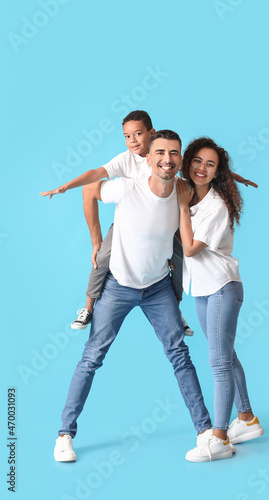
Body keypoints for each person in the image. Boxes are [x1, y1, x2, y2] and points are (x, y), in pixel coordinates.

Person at [53, 130, 214, 463]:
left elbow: (217, 175)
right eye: (159, 153)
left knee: (179, 356)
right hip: (118, 287)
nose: (166, 159)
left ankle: (206, 433)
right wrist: (97, 242)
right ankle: (64, 435)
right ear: (150, 158)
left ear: (180, 160)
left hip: (157, 289)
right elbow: (89, 189)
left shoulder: (183, 193)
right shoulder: (127, 187)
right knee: (91, 357)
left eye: (173, 154)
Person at [40, 110, 257, 334]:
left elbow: (202, 169)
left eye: (138, 134)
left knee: (181, 258)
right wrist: (66, 187)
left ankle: (175, 311)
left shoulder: (166, 156)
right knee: (103, 255)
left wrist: (235, 177)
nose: (133, 140)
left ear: (151, 134)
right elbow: (95, 174)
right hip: (132, 222)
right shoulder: (125, 159)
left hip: (167, 219)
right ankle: (88, 307)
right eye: (127, 136)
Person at [176, 137, 264, 463]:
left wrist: (182, 205)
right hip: (202, 289)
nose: (202, 168)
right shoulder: (186, 190)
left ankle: (220, 438)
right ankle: (248, 420)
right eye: (197, 161)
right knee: (227, 356)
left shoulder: (216, 205)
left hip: (222, 288)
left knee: (218, 362)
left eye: (210, 164)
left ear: (217, 171)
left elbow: (190, 248)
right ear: (188, 162)